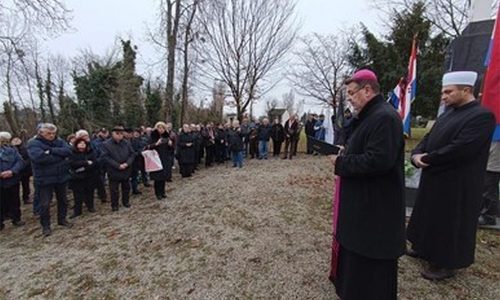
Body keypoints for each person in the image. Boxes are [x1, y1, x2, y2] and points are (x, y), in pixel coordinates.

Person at [407, 71, 495, 280]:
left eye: (448, 92)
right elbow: (429, 137)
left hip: (458, 182)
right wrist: (416, 154)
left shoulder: (482, 116)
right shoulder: (447, 114)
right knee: (428, 214)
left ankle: (444, 263)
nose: (443, 96)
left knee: (449, 221)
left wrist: (427, 159)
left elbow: (461, 148)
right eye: (443, 92)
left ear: (466, 90)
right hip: (435, 176)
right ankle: (422, 246)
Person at [329, 69, 406, 300]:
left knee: (372, 279)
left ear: (368, 90)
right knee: (357, 270)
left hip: (376, 210)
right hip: (363, 207)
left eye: (352, 93)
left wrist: (341, 163)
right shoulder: (370, 116)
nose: (350, 98)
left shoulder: (384, 117)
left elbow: (378, 161)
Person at [27, 123, 73, 237]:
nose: (51, 135)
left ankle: (62, 219)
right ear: (41, 133)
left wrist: (50, 150)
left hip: (61, 177)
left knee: (63, 200)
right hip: (44, 179)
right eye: (48, 133)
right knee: (45, 204)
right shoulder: (33, 143)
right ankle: (46, 226)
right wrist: (60, 157)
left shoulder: (59, 140)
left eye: (53, 133)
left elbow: (68, 151)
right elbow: (40, 158)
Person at [101, 126, 136, 211]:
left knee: (126, 187)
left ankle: (126, 202)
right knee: (114, 189)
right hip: (114, 170)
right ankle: (114, 205)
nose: (119, 135)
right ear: (112, 133)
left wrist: (127, 163)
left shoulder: (126, 143)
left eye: (121, 133)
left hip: (126, 169)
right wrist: (117, 165)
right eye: (117, 133)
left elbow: (132, 154)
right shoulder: (106, 144)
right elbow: (106, 157)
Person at [0, 131, 26, 231]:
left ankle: (16, 219)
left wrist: (12, 171)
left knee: (15, 200)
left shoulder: (12, 150)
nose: (3, 142)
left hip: (12, 180)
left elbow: (20, 161)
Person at [68, 137, 98, 218]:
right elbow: (71, 164)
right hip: (77, 178)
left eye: (84, 143)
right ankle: (77, 211)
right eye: (80, 143)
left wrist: (84, 167)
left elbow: (94, 163)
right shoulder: (72, 153)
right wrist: (85, 162)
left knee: (90, 193)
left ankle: (90, 207)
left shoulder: (90, 152)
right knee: (77, 195)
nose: (82, 145)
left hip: (89, 175)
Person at [145, 122, 175, 200]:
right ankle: (158, 193)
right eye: (159, 128)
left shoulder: (167, 136)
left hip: (164, 159)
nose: (161, 129)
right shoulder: (153, 136)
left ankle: (163, 192)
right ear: (156, 128)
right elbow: (147, 147)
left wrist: (170, 145)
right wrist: (156, 144)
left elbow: (171, 149)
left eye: (162, 128)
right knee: (157, 178)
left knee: (163, 177)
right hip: (155, 159)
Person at [478, 142, 500, 226]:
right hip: (491, 156)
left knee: (489, 188)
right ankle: (491, 212)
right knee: (490, 187)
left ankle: (488, 216)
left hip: (494, 159)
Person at [11, 137, 32, 204]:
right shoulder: (11, 150)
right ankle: (15, 200)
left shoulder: (25, 149)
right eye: (14, 140)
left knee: (26, 185)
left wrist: (22, 165)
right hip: (15, 171)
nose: (16, 141)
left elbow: (29, 159)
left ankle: (26, 198)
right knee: (15, 187)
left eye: (17, 139)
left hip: (25, 171)